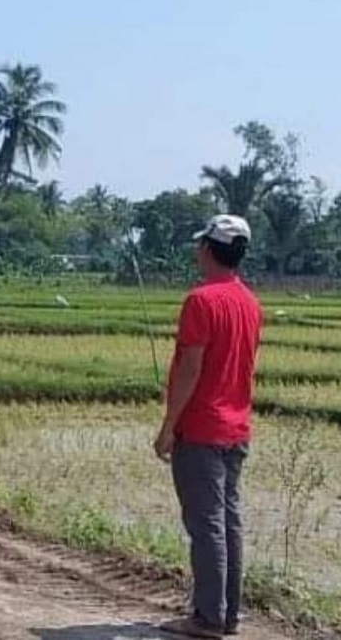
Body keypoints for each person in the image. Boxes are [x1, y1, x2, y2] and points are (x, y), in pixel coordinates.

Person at [155, 214, 262, 639]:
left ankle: (207, 618)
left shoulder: (201, 301)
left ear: (207, 249)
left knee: (206, 526)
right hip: (236, 429)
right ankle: (227, 614)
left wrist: (168, 427)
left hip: (201, 429)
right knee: (228, 523)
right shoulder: (249, 303)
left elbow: (190, 370)